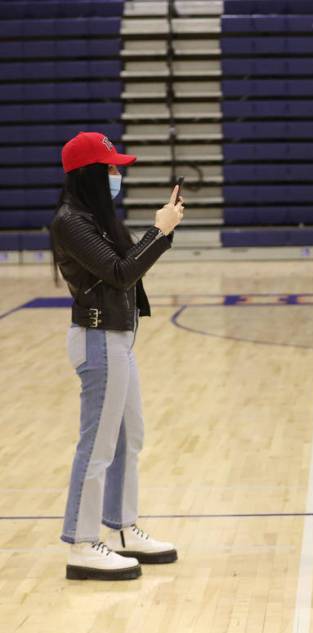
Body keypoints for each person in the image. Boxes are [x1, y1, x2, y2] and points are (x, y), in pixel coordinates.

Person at [50, 132, 184, 581]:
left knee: (130, 436)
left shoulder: (95, 217)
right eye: (110, 168)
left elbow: (126, 264)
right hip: (98, 338)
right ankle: (83, 543)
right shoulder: (71, 222)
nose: (117, 174)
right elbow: (121, 273)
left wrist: (160, 234)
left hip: (118, 338)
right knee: (99, 444)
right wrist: (160, 231)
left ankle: (122, 528)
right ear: (88, 173)